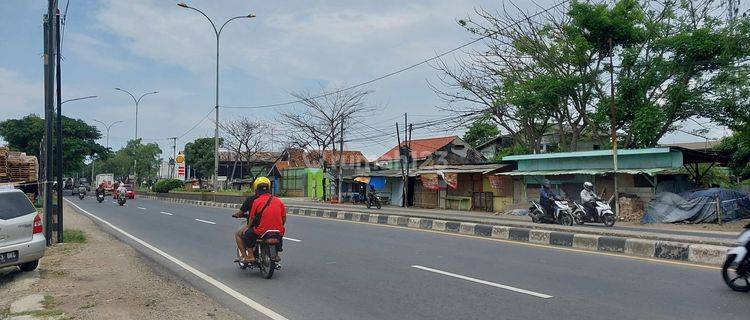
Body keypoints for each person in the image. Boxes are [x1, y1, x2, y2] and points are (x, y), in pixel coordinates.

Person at [234, 177, 286, 264]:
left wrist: (248, 227)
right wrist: (280, 226)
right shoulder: (278, 201)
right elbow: (283, 217)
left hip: (260, 229)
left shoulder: (255, 201)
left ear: (256, 189)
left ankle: (250, 255)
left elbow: (251, 217)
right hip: (277, 230)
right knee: (279, 233)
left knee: (246, 234)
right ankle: (276, 254)